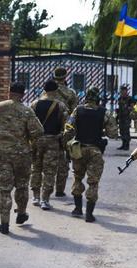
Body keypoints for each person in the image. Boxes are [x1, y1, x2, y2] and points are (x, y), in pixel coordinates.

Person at [0, 82, 43, 234]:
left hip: (2, 155)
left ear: (9, 92)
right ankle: (21, 213)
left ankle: (4, 224)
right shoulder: (27, 111)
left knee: (4, 189)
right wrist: (30, 144)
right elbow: (38, 131)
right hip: (22, 156)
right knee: (22, 186)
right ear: (23, 94)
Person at [63, 87, 117, 223]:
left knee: (77, 178)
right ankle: (89, 214)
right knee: (93, 182)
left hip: (79, 149)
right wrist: (101, 131)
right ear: (98, 99)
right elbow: (113, 133)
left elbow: (68, 129)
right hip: (95, 150)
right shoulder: (104, 112)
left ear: (86, 98)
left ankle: (77, 209)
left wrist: (67, 146)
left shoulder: (78, 110)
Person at [29, 79, 68, 210]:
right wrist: (63, 140)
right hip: (53, 141)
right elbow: (66, 126)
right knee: (49, 171)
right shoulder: (60, 106)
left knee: (36, 168)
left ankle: (35, 196)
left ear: (44, 90)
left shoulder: (34, 104)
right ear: (56, 91)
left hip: (37, 141)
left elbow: (30, 123)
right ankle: (45, 199)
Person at [51, 66, 78, 198]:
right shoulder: (71, 92)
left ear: (54, 76)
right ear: (65, 76)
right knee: (63, 160)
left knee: (48, 159)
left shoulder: (47, 91)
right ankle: (59, 190)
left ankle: (46, 188)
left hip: (48, 129)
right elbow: (75, 113)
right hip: (65, 129)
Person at [115, 84, 136, 150]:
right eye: (121, 91)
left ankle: (127, 145)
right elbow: (120, 107)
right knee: (121, 131)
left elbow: (132, 108)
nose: (122, 92)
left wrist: (128, 109)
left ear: (126, 91)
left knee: (126, 131)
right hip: (121, 116)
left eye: (123, 91)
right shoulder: (120, 98)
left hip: (127, 117)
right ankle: (123, 144)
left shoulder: (130, 99)